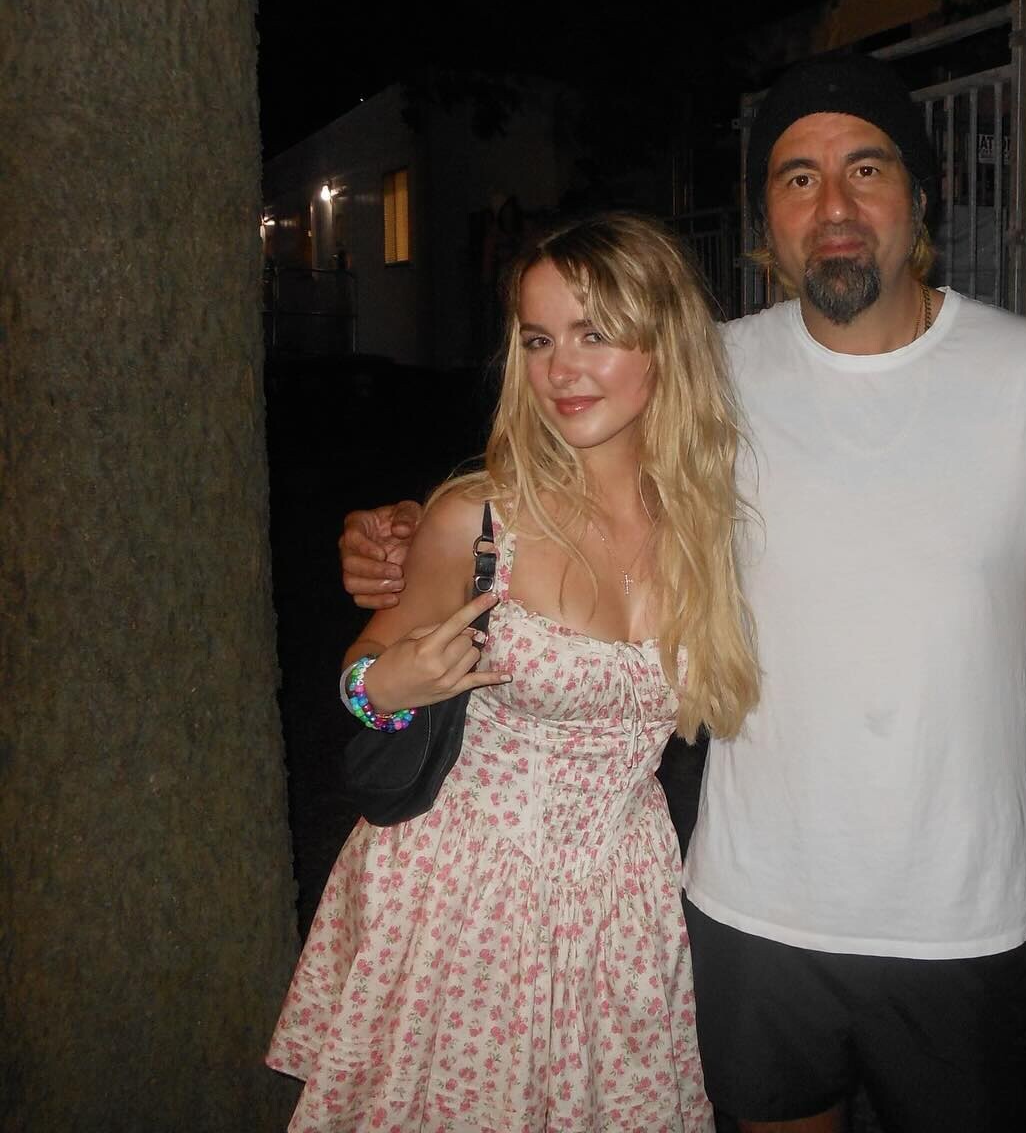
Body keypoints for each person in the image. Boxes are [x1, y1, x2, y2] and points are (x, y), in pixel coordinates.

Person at [342, 55, 1026, 1132]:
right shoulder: (706, 374)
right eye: (798, 178)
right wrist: (401, 534)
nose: (832, 205)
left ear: (922, 196)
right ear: (768, 219)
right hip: (748, 908)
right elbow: (558, 470)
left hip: (960, 911)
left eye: (866, 169)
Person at [270, 213, 759, 1131]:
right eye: (538, 340)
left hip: (625, 899)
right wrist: (386, 691)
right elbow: (361, 674)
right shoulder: (479, 519)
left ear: (665, 346)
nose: (561, 369)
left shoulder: (707, 523)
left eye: (594, 333)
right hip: (465, 898)